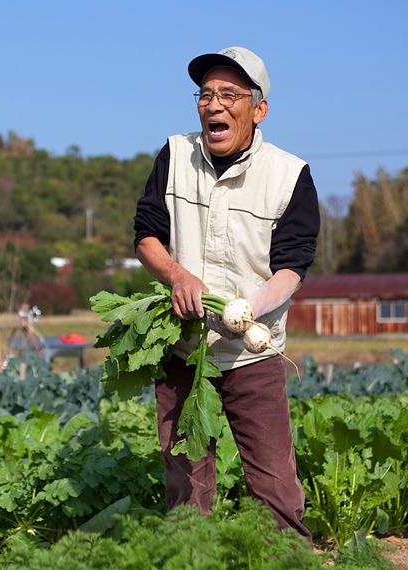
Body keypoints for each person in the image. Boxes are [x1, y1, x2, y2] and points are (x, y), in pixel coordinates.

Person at [132, 46, 319, 543]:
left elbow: (293, 265)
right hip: (182, 346)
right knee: (186, 483)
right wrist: (176, 275)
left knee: (275, 483)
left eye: (229, 95)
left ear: (257, 110)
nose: (213, 104)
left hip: (252, 353)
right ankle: (191, 555)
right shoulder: (175, 156)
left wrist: (247, 311)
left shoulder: (289, 174)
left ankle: (286, 557)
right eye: (205, 94)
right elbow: (146, 235)